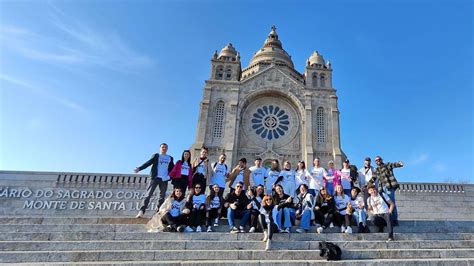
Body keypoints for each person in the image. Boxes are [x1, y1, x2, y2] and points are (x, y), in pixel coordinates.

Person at [134, 143, 175, 218]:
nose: (164, 148)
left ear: (167, 149)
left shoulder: (170, 158)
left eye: (165, 147)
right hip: (155, 178)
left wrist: (170, 177)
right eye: (162, 147)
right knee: (148, 194)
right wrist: (139, 168)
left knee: (162, 196)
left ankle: (158, 212)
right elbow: (148, 163)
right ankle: (141, 211)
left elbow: (173, 169)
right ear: (160, 148)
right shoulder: (156, 156)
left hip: (164, 179)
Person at [370, 156, 404, 226]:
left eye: (379, 159)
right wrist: (366, 185)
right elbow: (373, 178)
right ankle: (387, 220)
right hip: (381, 189)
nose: (378, 161)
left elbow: (394, 165)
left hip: (388, 186)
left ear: (381, 160)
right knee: (385, 204)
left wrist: (399, 164)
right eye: (376, 160)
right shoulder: (376, 170)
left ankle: (394, 220)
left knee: (391, 202)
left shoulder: (387, 165)